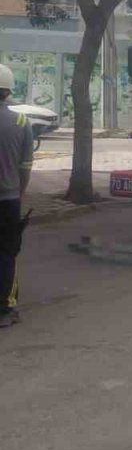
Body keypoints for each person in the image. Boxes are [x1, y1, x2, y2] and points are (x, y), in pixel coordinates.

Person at [0, 65, 34, 329]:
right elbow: (25, 167)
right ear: (8, 89)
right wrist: (20, 191)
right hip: (8, 201)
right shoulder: (21, 122)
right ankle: (5, 309)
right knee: (6, 254)